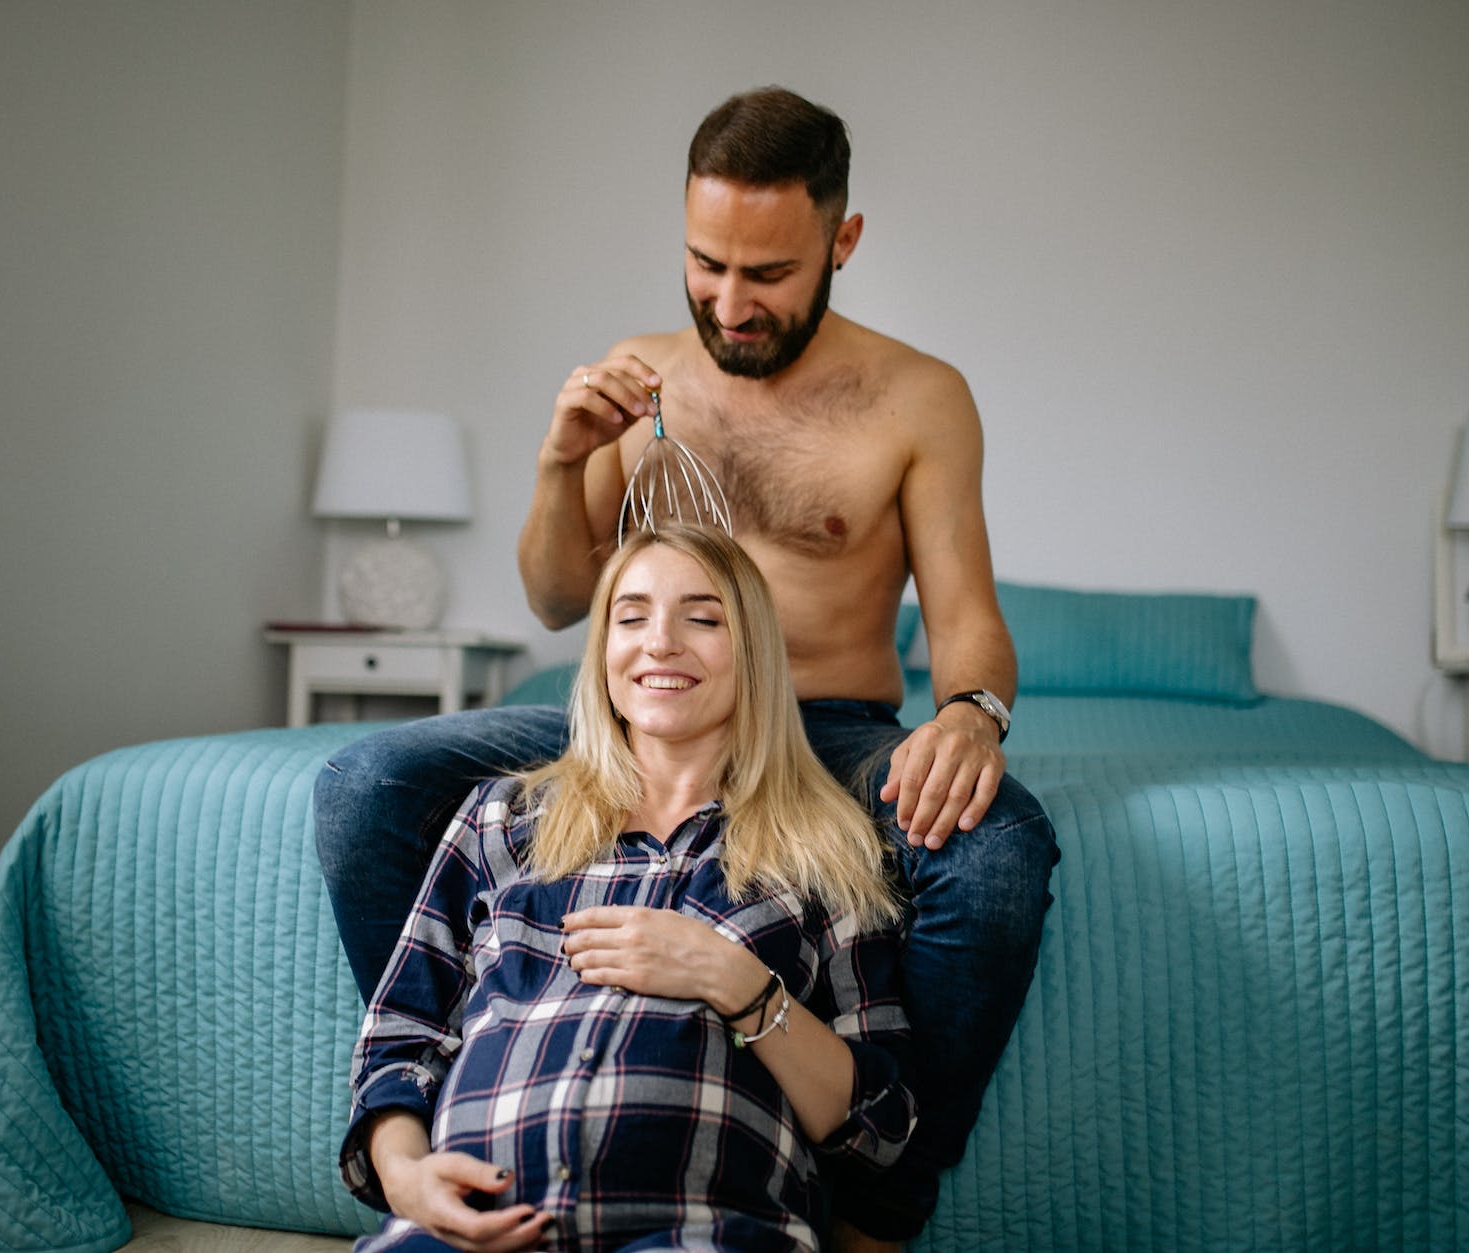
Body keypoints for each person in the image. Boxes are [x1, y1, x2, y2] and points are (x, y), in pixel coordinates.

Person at [317, 85, 1058, 1248]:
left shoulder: (916, 397)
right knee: (363, 785)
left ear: (842, 242)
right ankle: (472, 1105)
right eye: (705, 264)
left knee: (998, 847)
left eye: (767, 273)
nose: (729, 301)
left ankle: (875, 1208)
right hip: (633, 715)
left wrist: (969, 712)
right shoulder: (639, 376)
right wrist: (559, 463)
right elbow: (559, 597)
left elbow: (967, 618)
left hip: (824, 725)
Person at [343, 526, 914, 1253]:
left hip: (702, 1234)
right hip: (465, 1232)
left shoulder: (826, 849)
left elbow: (879, 1118)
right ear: (604, 650)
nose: (661, 643)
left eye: (703, 618)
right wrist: (404, 1176)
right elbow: (401, 1040)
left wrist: (734, 981)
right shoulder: (502, 817)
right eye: (632, 616)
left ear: (754, 654)